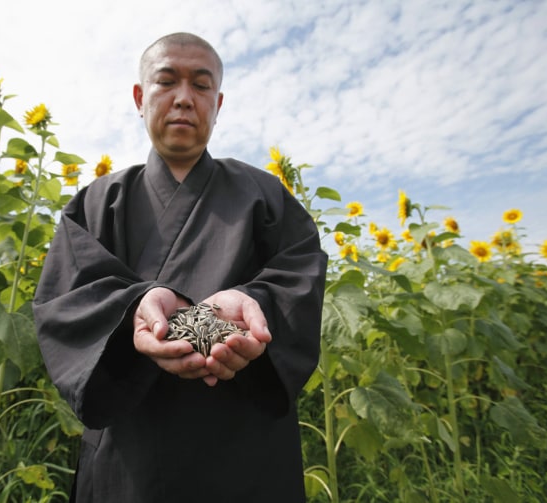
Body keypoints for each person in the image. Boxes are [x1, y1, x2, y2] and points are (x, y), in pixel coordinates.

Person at [33, 32, 328, 503]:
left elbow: (301, 277)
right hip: (129, 454)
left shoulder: (265, 195)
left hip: (246, 452)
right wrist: (137, 307)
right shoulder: (95, 203)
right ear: (139, 96)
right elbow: (66, 299)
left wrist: (249, 304)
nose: (184, 99)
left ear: (219, 101)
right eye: (166, 81)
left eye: (201, 85)